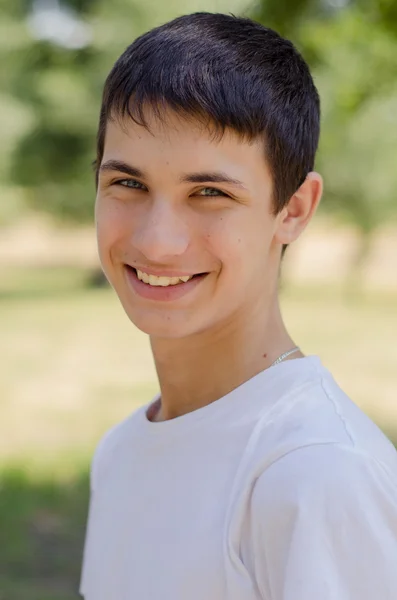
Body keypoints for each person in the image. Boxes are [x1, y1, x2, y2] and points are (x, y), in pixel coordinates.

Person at [79, 12, 397, 600]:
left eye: (209, 193)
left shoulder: (316, 475)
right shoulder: (121, 453)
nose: (156, 241)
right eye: (128, 184)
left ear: (294, 209)